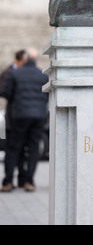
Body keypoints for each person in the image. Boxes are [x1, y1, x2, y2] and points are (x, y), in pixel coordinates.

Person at [0, 49, 48, 192]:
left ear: (25, 60)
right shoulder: (42, 75)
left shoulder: (15, 74)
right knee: (33, 148)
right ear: (36, 60)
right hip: (38, 116)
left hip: (19, 116)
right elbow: (46, 95)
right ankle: (29, 182)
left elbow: (6, 93)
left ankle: (8, 182)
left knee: (14, 148)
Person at [0, 50, 28, 188]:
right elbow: (3, 91)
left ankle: (22, 179)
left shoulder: (20, 73)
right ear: (21, 59)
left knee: (23, 150)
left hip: (22, 118)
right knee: (12, 151)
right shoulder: (8, 72)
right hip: (13, 119)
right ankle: (8, 180)